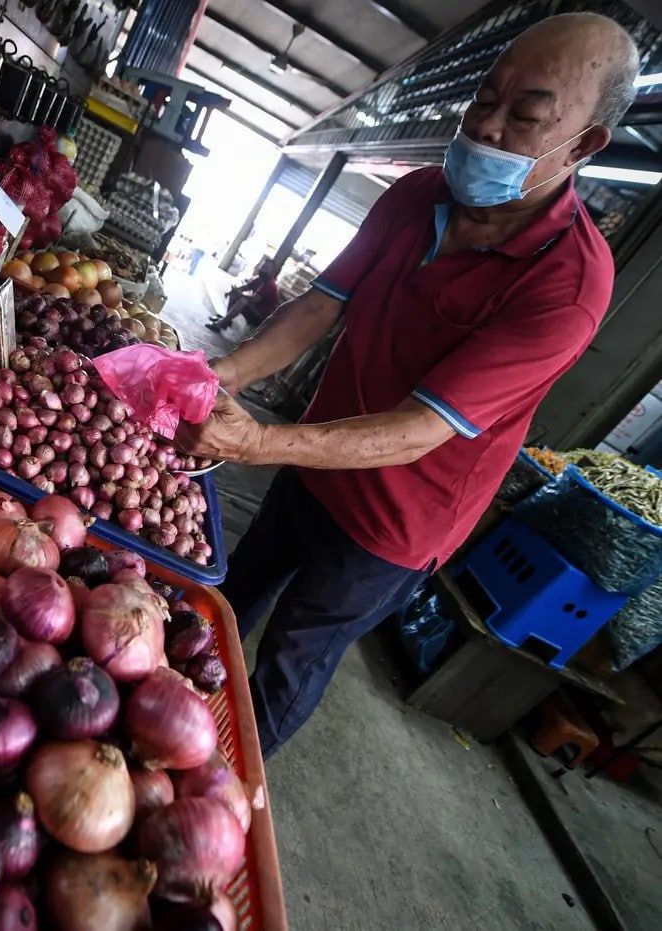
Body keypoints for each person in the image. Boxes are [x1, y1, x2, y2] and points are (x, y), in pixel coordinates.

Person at [175, 12, 638, 758]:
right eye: (484, 100)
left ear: (582, 146)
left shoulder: (570, 285)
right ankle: (156, 700)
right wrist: (218, 371)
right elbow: (323, 304)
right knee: (224, 591)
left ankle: (221, 783)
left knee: (291, 658)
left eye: (524, 117)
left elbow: (424, 425)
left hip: (394, 523)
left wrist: (257, 439)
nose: (486, 128)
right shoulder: (418, 193)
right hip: (312, 463)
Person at [208, 259, 280, 332]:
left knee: (243, 300)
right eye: (262, 266)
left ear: (272, 273)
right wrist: (233, 291)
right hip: (254, 309)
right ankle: (226, 321)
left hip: (260, 317)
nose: (262, 269)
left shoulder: (271, 285)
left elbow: (254, 299)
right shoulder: (259, 279)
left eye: (265, 268)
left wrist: (239, 294)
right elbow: (246, 287)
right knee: (235, 294)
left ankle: (220, 324)